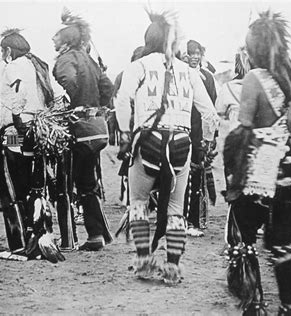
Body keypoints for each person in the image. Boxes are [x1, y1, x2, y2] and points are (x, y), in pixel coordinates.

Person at [115, 10, 219, 284]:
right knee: (176, 209)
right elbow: (209, 112)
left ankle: (143, 262)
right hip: (181, 146)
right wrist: (207, 143)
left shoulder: (137, 66)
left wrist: (126, 134)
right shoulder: (189, 71)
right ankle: (172, 267)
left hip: (147, 143)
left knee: (138, 202)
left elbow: (122, 101)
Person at [223, 11, 291, 315]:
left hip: (260, 174)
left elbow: (245, 126)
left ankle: (253, 304)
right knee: (285, 243)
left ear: (256, 50)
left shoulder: (253, 78)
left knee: (242, 236)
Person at [0, 29, 65, 263]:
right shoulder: (40, 65)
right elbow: (63, 97)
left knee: (13, 188)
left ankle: (21, 246)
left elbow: (14, 101)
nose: (3, 56)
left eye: (3, 51)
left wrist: (11, 124)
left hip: (17, 135)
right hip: (40, 135)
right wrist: (49, 120)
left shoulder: (13, 67)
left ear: (9, 50)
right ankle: (40, 239)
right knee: (36, 188)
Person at [52, 9, 114, 251]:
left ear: (66, 41)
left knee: (68, 183)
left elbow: (68, 81)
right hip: (98, 128)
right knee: (87, 183)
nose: (53, 41)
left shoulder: (66, 60)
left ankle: (71, 239)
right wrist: (99, 106)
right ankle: (95, 236)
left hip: (80, 128)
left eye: (56, 38)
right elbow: (106, 86)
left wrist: (73, 104)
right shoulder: (89, 58)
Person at [182, 39, 217, 237]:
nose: (194, 56)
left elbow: (211, 108)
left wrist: (210, 138)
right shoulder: (177, 75)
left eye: (198, 53)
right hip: (181, 130)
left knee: (197, 177)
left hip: (199, 135)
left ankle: (194, 221)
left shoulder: (207, 78)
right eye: (191, 53)